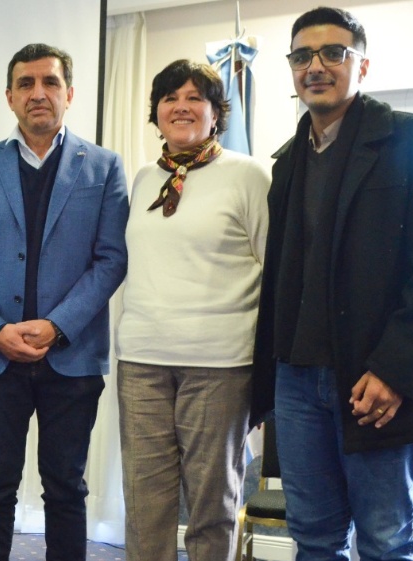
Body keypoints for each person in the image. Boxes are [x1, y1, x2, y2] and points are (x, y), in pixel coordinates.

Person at [251, 7, 413, 561]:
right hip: (297, 381)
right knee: (314, 540)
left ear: (363, 65)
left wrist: (396, 371)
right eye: (302, 56)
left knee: (387, 543)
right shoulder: (287, 161)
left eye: (334, 53)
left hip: (375, 384)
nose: (315, 67)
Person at [0, 43, 129, 561]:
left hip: (71, 355)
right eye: (26, 84)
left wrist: (57, 325)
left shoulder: (104, 167)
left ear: (70, 93)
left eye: (50, 82)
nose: (38, 93)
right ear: (10, 97)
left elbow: (111, 259)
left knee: (66, 487)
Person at [115, 60, 270, 561]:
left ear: (216, 112)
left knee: (211, 503)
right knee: (145, 504)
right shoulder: (145, 178)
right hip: (141, 362)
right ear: (156, 112)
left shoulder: (249, 176)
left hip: (219, 365)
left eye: (195, 97)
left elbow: (276, 272)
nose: (181, 107)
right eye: (170, 98)